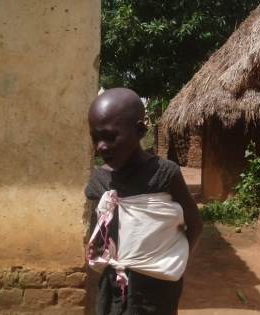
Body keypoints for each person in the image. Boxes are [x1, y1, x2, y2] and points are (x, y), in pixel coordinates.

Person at [84, 87, 203, 315]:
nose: (101, 147)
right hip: (113, 286)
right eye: (95, 138)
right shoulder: (101, 180)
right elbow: (107, 226)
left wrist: (173, 260)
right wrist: (99, 247)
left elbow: (195, 225)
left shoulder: (164, 174)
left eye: (110, 137)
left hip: (157, 288)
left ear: (139, 130)